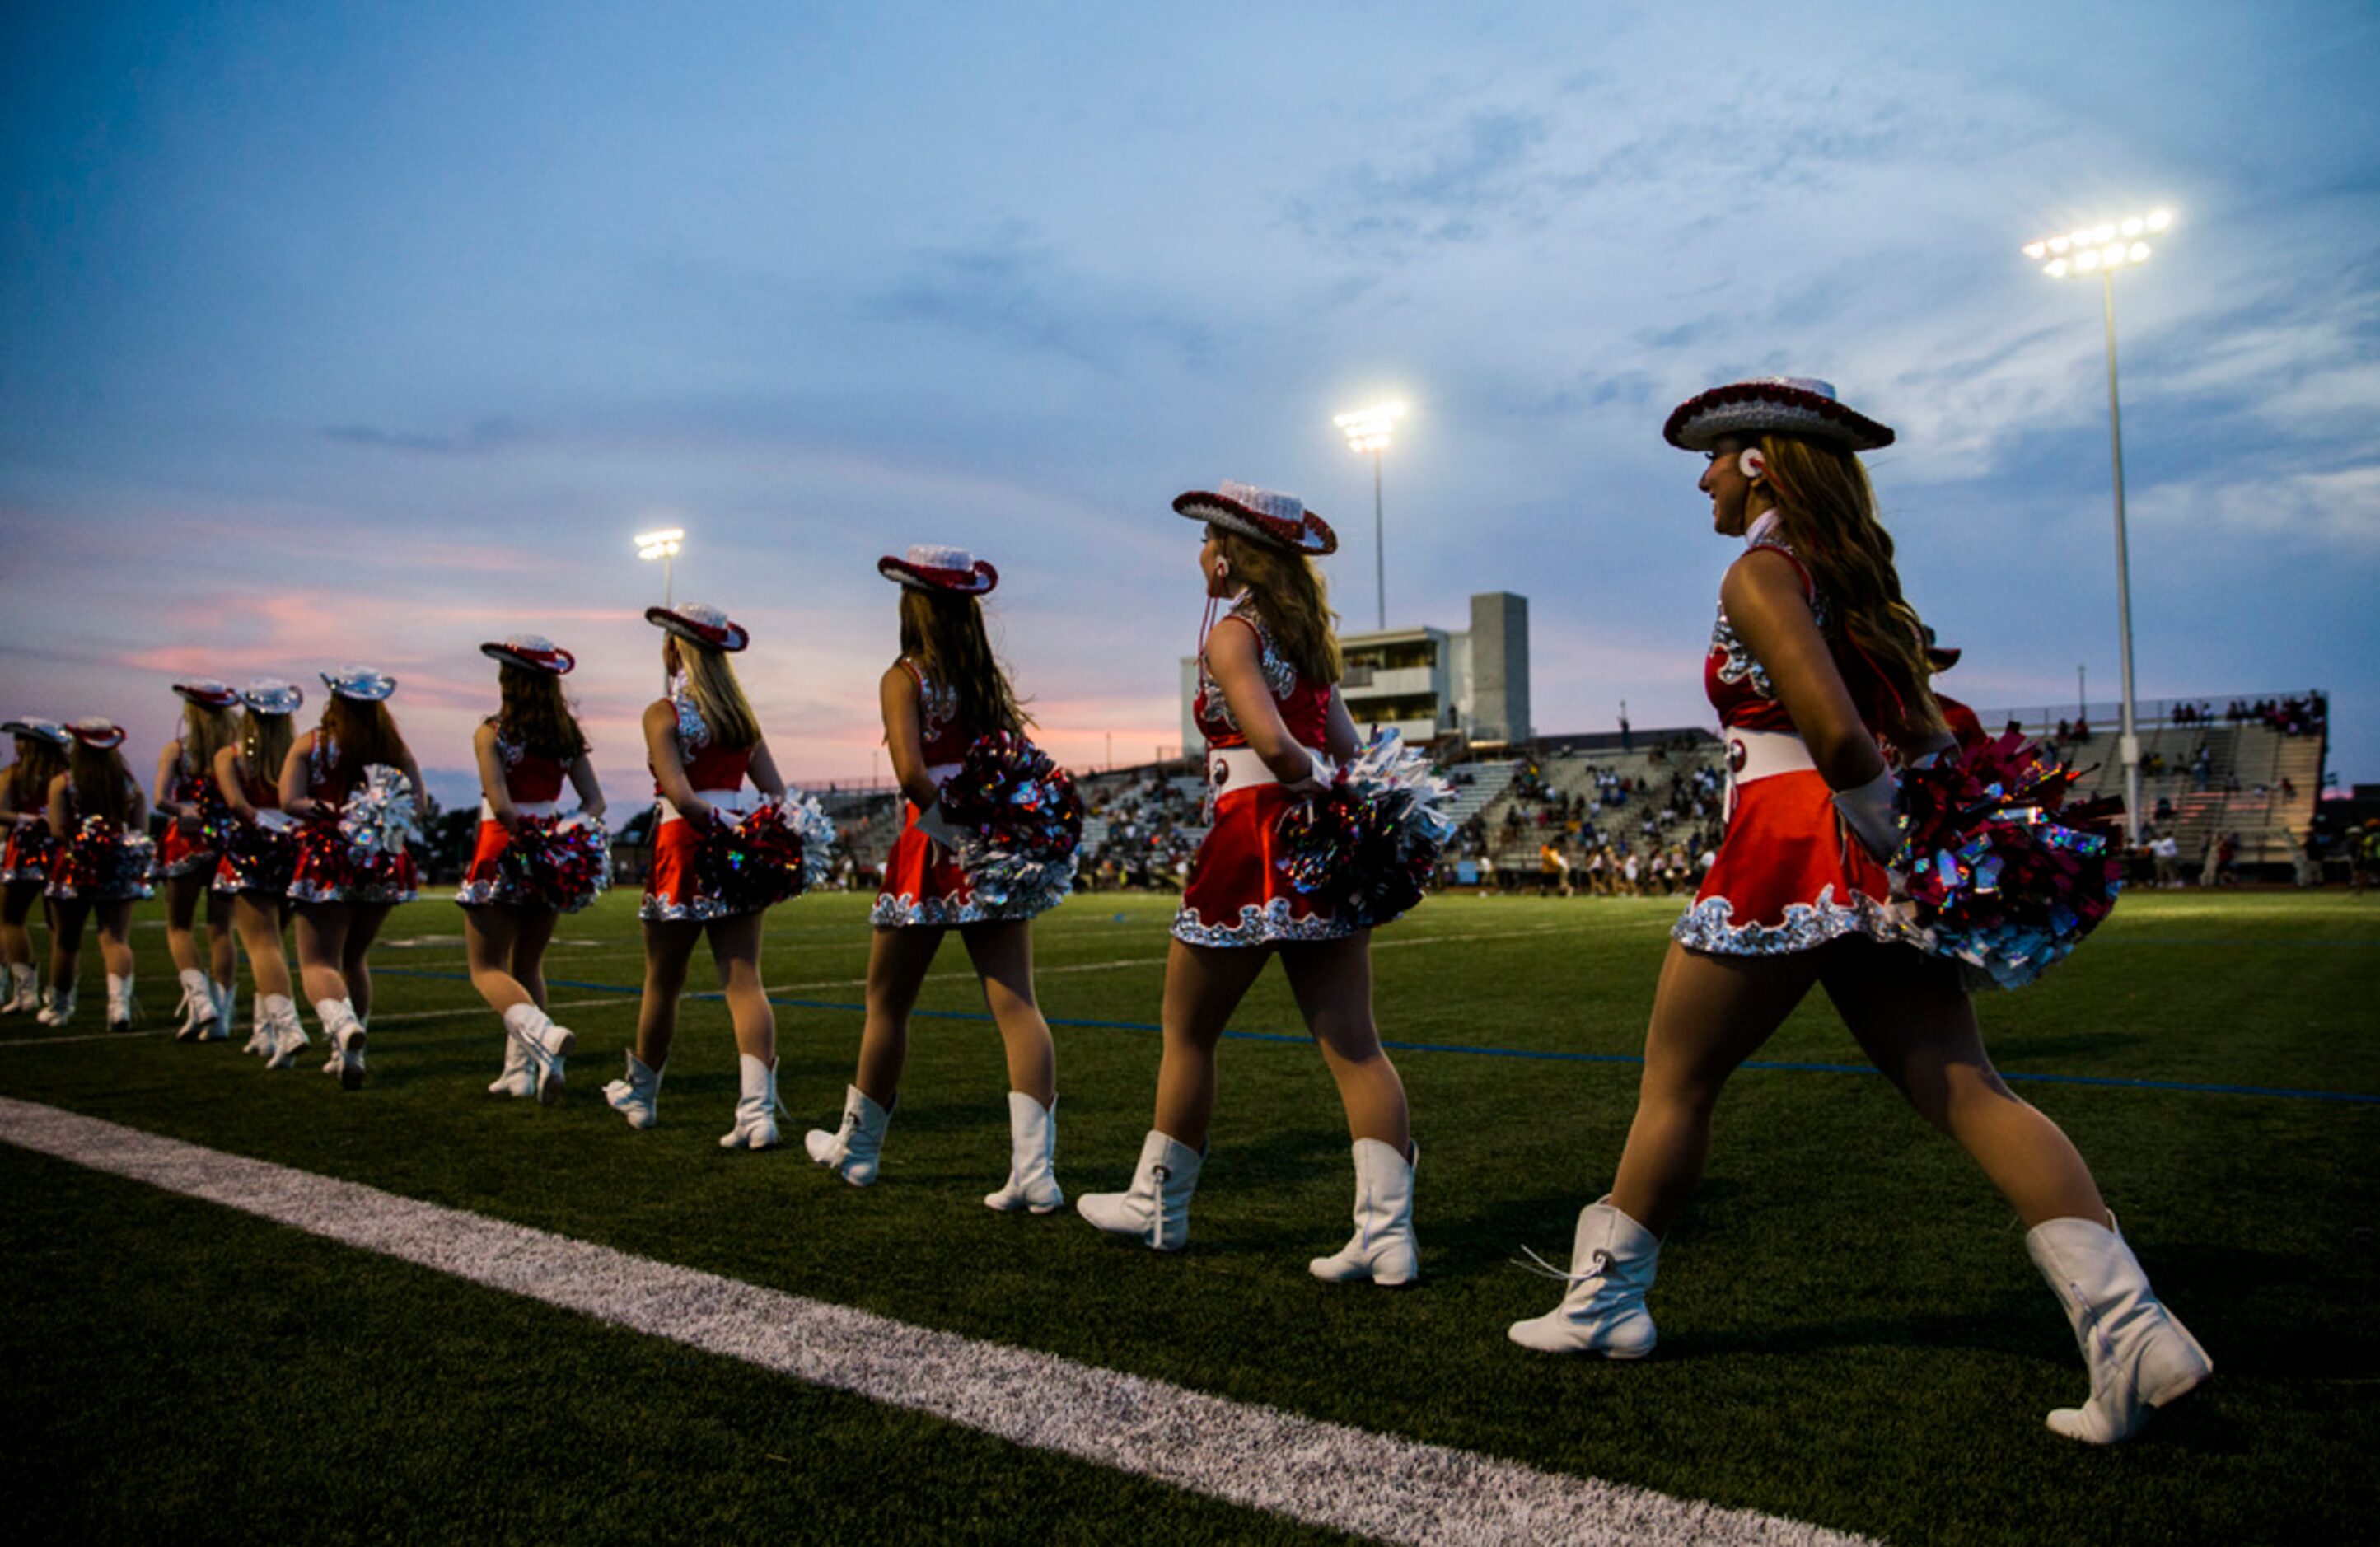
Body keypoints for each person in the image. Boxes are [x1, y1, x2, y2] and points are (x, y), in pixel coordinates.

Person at [1506, 377, 2208, 1444]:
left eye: (1711, 455)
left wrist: (1880, 843)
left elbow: (1835, 738)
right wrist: (1916, 857)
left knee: (1679, 1079)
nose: (1698, 477)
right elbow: (1924, 735)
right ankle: (2134, 1325)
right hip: (1866, 847)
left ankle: (1605, 1305)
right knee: (1970, 1088)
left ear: (1756, 461)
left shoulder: (1763, 568)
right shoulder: (1854, 579)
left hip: (1797, 837)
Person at [1078, 482, 1419, 1285]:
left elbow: (1272, 744)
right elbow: (1352, 748)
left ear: (1231, 552)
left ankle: (1158, 1204)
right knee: (1356, 1045)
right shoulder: (1307, 649)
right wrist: (1343, 810)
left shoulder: (1233, 634)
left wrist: (1304, 783)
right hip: (1318, 850)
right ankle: (1388, 1235)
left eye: (1205, 543)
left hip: (1251, 840)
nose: (1199, 556)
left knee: (1189, 1032)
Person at [806, 546, 1068, 1208]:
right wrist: (996, 838)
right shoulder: (983, 679)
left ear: (912, 605)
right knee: (1016, 1005)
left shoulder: (904, 676)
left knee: (887, 1004)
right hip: (984, 839)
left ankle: (858, 1153)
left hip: (933, 839)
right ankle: (1035, 1176)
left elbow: (910, 773)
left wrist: (956, 837)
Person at [606, 602, 792, 1147]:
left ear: (675, 650)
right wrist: (748, 834)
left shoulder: (662, 713)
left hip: (684, 849)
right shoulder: (741, 719)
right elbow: (777, 794)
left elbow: (680, 796)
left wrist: (722, 828)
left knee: (663, 981)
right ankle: (757, 1113)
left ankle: (641, 1097)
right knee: (744, 981)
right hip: (739, 851)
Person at [458, 636, 607, 1105]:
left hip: (503, 851)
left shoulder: (492, 733)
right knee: (528, 963)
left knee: (485, 968)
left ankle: (541, 1034)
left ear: (509, 680)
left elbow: (500, 805)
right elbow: (595, 803)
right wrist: (563, 837)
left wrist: (529, 836)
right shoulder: (565, 736)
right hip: (551, 857)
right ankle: (519, 1071)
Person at [283, 667, 428, 1091]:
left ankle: (341, 1025)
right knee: (355, 958)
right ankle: (352, 1051)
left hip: (327, 857)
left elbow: (288, 800)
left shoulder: (311, 744)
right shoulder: (393, 747)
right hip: (383, 858)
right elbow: (418, 802)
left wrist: (326, 810)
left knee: (318, 960)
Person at [212, 680, 309, 1062]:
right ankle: (263, 1030)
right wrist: (288, 832)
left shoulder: (231, 756)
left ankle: (288, 1028)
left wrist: (266, 829)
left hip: (252, 849)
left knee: (261, 945)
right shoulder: (298, 753)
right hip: (296, 849)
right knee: (274, 945)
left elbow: (236, 805)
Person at [40, 719, 152, 1028]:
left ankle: (60, 1009)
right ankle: (119, 1007)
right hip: (117, 869)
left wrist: (86, 843)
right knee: (115, 939)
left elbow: (57, 829)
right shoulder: (129, 786)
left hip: (73, 869)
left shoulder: (63, 783)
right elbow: (140, 831)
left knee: (66, 941)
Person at [153, 680, 243, 1042]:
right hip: (228, 840)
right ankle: (220, 1016)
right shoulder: (236, 752)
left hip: (188, 841)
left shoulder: (178, 749)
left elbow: (161, 799)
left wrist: (181, 808)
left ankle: (200, 999)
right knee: (221, 929)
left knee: (179, 926)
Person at [0, 719, 71, 1017]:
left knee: (11, 919)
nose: (16, 743)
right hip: (61, 849)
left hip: (25, 850)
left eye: (20, 739)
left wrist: (25, 821)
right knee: (60, 926)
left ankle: (25, 991)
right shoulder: (67, 777)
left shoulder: (14, 775)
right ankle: (57, 995)